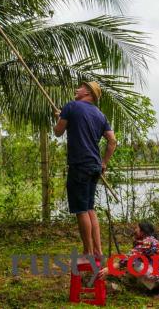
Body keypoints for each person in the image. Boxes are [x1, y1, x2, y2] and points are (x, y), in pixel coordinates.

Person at [53, 81, 116, 261]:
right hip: (95, 165)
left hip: (79, 165)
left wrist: (59, 118)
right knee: (90, 209)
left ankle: (88, 253)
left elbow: (58, 131)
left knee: (82, 210)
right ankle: (98, 251)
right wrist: (104, 163)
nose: (76, 89)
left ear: (88, 92)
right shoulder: (100, 115)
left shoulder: (71, 106)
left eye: (80, 88)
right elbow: (112, 141)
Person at [97, 222, 159, 299]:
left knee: (134, 263)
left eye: (136, 228)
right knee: (135, 264)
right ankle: (158, 286)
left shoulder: (148, 242)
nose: (134, 230)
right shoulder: (150, 241)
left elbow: (130, 258)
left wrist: (109, 269)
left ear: (143, 232)